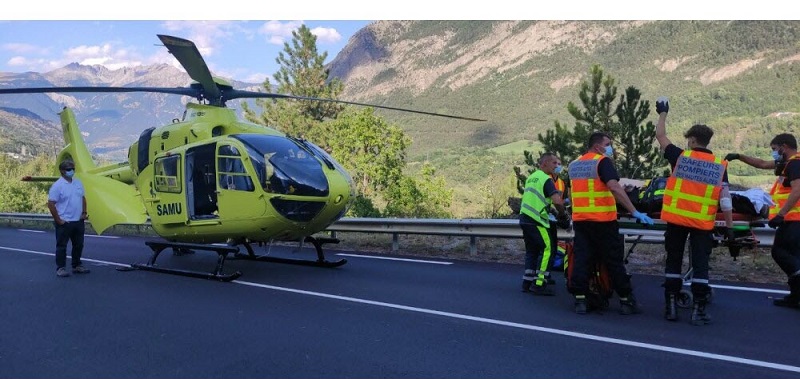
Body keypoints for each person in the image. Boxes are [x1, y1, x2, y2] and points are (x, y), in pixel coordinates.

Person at [654, 97, 734, 325]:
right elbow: (725, 200)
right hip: (702, 224)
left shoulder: (680, 157)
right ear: (707, 141)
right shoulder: (719, 165)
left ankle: (670, 306)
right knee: (700, 265)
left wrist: (663, 113)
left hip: (676, 220)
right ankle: (698, 310)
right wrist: (729, 228)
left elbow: (660, 136)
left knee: (674, 261)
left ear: (691, 140)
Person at [567, 131, 654, 314]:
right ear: (598, 146)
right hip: (603, 221)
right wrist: (634, 211)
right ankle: (625, 300)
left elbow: (573, 193)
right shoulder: (602, 162)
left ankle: (581, 300)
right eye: (607, 143)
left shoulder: (574, 165)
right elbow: (614, 187)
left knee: (582, 259)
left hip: (582, 221)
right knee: (613, 261)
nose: (610, 147)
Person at [725, 133, 800, 309]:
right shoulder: (787, 163)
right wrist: (739, 157)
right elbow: (762, 164)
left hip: (793, 218)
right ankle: (796, 297)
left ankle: (797, 291)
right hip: (792, 218)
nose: (773, 153)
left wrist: (781, 214)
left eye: (775, 149)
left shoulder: (795, 163)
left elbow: (797, 191)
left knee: (780, 253)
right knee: (793, 256)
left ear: (784, 146)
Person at [519, 153, 568, 296]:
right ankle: (540, 283)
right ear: (545, 163)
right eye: (554, 163)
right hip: (537, 220)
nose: (556, 166)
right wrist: (563, 215)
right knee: (548, 249)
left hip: (525, 218)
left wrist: (551, 211)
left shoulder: (532, 177)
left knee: (532, 250)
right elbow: (557, 201)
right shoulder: (546, 179)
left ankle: (527, 281)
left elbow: (538, 199)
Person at [47, 159, 90, 277]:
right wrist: (58, 220)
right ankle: (60, 268)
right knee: (62, 246)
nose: (71, 171)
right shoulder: (57, 186)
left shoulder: (78, 183)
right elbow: (51, 204)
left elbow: (83, 198)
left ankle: (77, 265)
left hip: (78, 221)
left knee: (79, 245)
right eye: (68, 169)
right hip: (65, 221)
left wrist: (84, 212)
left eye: (73, 169)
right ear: (62, 171)